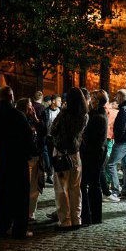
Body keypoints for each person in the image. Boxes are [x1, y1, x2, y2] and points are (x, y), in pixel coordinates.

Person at [0, 86, 34, 239]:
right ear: (11, 97)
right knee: (20, 195)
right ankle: (19, 229)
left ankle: (2, 227)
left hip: (1, 159)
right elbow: (28, 138)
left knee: (2, 193)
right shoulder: (18, 115)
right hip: (17, 160)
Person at [49, 87, 88, 229]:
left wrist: (63, 112)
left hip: (61, 153)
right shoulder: (84, 115)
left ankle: (65, 221)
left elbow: (53, 130)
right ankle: (76, 219)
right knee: (75, 188)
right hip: (75, 154)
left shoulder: (64, 114)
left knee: (61, 188)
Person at [80, 89, 109, 225]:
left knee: (92, 184)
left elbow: (91, 138)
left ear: (97, 101)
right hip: (95, 153)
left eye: (92, 98)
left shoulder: (97, 117)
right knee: (93, 184)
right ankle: (93, 215)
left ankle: (91, 215)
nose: (90, 100)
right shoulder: (97, 114)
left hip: (93, 154)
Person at [16, 98, 44, 223]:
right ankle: (22, 213)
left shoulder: (33, 119)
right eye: (29, 105)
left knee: (34, 188)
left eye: (32, 105)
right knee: (25, 187)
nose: (32, 108)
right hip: (26, 157)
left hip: (36, 156)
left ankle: (30, 213)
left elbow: (43, 132)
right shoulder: (20, 120)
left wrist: (36, 119)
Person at [41, 94, 62, 185]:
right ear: (53, 101)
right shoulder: (45, 111)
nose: (60, 102)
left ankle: (54, 174)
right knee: (48, 157)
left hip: (57, 138)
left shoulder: (60, 112)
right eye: (59, 100)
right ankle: (50, 175)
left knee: (55, 157)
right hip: (48, 137)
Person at [102, 99, 120, 202]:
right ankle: (107, 183)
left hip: (107, 137)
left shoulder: (105, 110)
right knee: (109, 161)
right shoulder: (114, 111)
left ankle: (107, 183)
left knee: (107, 162)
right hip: (110, 137)